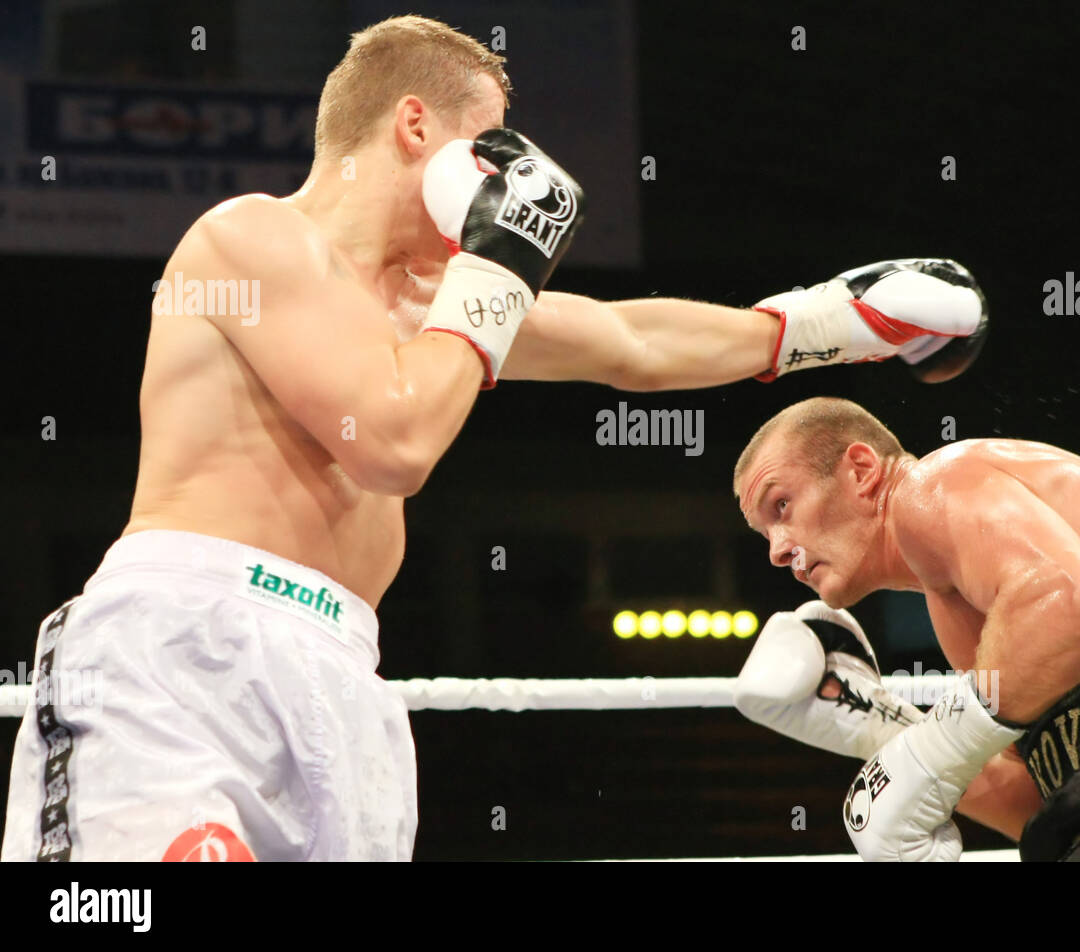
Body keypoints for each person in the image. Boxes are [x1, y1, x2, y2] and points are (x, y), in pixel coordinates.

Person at [1, 16, 986, 861]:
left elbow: (630, 342)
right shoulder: (250, 239)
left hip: (338, 673)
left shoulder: (439, 306)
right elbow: (390, 438)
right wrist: (499, 263)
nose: (504, 180)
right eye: (488, 143)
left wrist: (829, 324)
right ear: (414, 125)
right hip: (184, 649)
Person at [733, 396, 1080, 860]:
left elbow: (1072, 600)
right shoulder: (965, 601)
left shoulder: (934, 487)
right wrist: (877, 727)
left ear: (860, 470)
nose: (778, 553)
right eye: (763, 535)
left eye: (780, 505)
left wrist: (927, 755)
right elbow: (1044, 798)